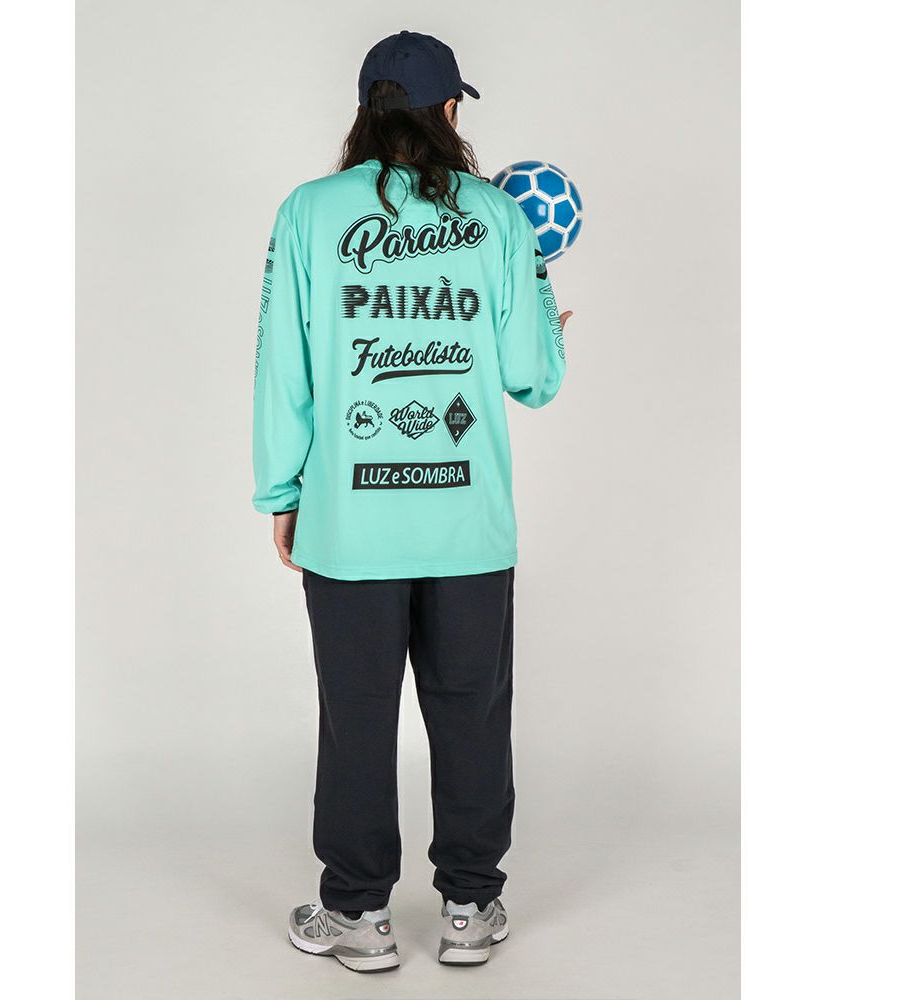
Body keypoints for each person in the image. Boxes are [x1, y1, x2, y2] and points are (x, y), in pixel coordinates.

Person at [252, 29, 571, 973]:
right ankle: (470, 906)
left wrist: (282, 490)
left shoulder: (308, 213)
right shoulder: (498, 216)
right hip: (468, 522)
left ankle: (357, 914)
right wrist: (544, 295)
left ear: (365, 109)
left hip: (349, 520)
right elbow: (532, 377)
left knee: (355, 714)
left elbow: (283, 370)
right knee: (471, 711)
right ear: (450, 110)